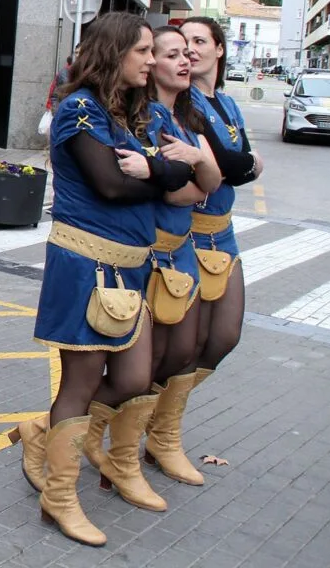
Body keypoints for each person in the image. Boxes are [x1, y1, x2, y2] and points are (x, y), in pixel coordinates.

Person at [13, 12, 192, 547]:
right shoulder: (81, 109)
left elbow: (188, 171)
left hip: (131, 267)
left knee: (136, 377)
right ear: (114, 52)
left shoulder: (130, 113)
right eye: (142, 51)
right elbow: (112, 186)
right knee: (82, 382)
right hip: (86, 264)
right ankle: (60, 498)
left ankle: (40, 435)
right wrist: (159, 173)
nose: (152, 59)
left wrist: (154, 168)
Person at [160, 17, 263, 484]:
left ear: (220, 49)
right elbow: (237, 165)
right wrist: (239, 163)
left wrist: (238, 163)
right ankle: (159, 435)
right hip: (191, 233)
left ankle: (156, 426)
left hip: (225, 232)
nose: (191, 52)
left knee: (224, 338)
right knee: (186, 346)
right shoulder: (184, 105)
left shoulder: (227, 102)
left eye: (200, 43)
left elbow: (237, 162)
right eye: (183, 46)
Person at [142, 26, 223, 487]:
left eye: (187, 53)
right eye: (172, 54)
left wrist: (197, 160)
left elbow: (212, 179)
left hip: (183, 251)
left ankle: (153, 439)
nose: (185, 59)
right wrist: (198, 167)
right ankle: (65, 436)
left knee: (183, 351)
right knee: (145, 361)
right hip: (154, 252)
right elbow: (178, 191)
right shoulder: (150, 117)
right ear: (151, 63)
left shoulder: (186, 115)